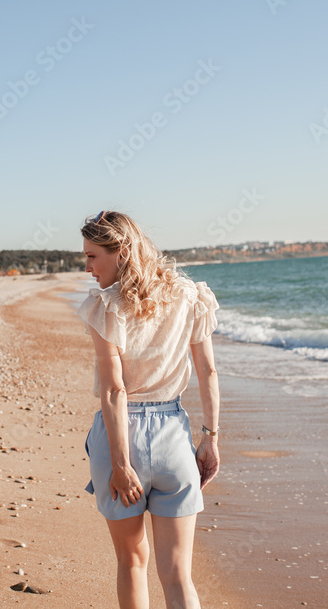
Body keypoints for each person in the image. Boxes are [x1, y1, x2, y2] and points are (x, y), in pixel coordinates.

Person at [77, 210, 221, 608]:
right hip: (174, 435)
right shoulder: (190, 296)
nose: (87, 267)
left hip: (121, 438)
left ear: (121, 251)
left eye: (92, 257)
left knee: (132, 561)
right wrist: (209, 438)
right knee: (177, 574)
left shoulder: (105, 306)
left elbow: (114, 392)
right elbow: (208, 370)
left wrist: (122, 466)